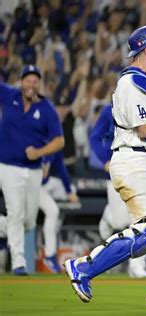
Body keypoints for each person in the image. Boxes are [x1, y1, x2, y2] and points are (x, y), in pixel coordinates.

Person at [64, 25, 146, 309]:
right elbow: (145, 128)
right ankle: (83, 267)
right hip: (132, 159)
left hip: (143, 157)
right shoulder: (133, 81)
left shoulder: (144, 81)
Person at [0, 65, 65, 275]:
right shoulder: (9, 95)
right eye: (28, 79)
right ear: (21, 82)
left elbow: (59, 141)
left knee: (28, 220)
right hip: (8, 166)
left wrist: (39, 153)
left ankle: (3, 229)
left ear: (39, 84)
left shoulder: (46, 108)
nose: (31, 84)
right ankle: (19, 262)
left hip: (34, 170)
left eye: (35, 80)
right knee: (15, 212)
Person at [89, 104, 146, 278]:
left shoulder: (145, 107)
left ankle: (137, 265)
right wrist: (104, 160)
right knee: (118, 221)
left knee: (142, 218)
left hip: (141, 167)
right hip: (118, 166)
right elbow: (95, 137)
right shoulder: (111, 110)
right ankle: (108, 217)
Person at [39, 151, 79, 273]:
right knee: (24, 220)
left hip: (45, 185)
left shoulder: (53, 145)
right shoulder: (32, 141)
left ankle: (50, 249)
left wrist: (68, 191)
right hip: (31, 187)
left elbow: (61, 169)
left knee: (71, 189)